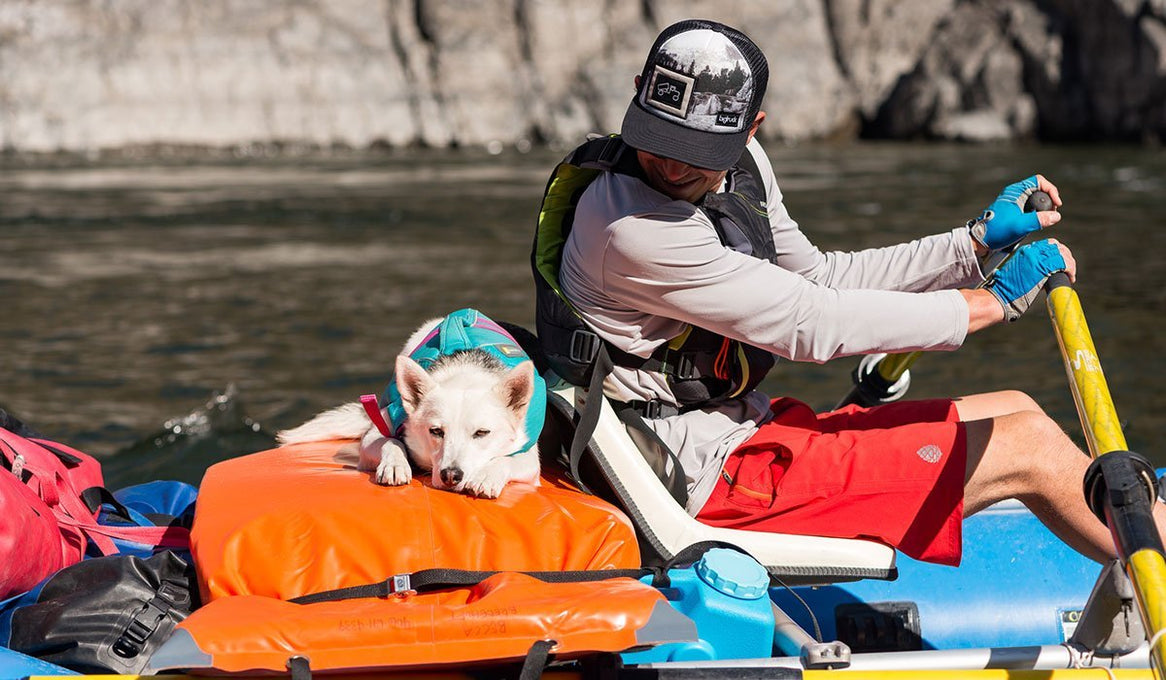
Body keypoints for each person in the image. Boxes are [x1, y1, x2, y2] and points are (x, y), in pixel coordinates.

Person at [534, 18, 1163, 566]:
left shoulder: (743, 168)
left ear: (752, 130)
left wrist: (969, 246)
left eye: (698, 154)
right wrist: (992, 304)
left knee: (1020, 408)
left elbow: (820, 280)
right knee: (1025, 448)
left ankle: (1139, 558)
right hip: (703, 480)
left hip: (740, 432)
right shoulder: (628, 229)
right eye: (660, 143)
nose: (672, 169)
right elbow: (813, 326)